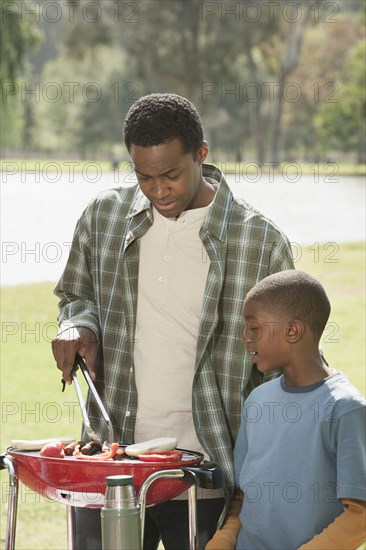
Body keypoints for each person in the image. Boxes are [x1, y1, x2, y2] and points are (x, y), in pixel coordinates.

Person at [51, 93, 294, 550]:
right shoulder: (103, 216)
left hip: (209, 469)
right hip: (113, 462)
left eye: (170, 174)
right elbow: (75, 294)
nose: (158, 190)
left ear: (201, 154)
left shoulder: (260, 242)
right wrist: (78, 325)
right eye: (144, 176)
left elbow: (285, 368)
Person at [206, 270, 366, 550]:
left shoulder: (344, 409)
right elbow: (244, 496)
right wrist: (224, 538)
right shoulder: (257, 400)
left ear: (292, 330)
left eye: (254, 328)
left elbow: (359, 514)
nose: (245, 337)